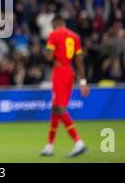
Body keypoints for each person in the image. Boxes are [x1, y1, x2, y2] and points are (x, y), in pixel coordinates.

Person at [40, 15, 90, 157]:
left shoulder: (53, 35)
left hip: (59, 73)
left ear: (55, 23)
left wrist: (46, 51)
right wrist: (83, 82)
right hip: (70, 72)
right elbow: (79, 60)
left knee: (61, 109)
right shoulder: (75, 36)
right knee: (56, 109)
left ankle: (78, 142)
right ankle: (49, 146)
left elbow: (49, 57)